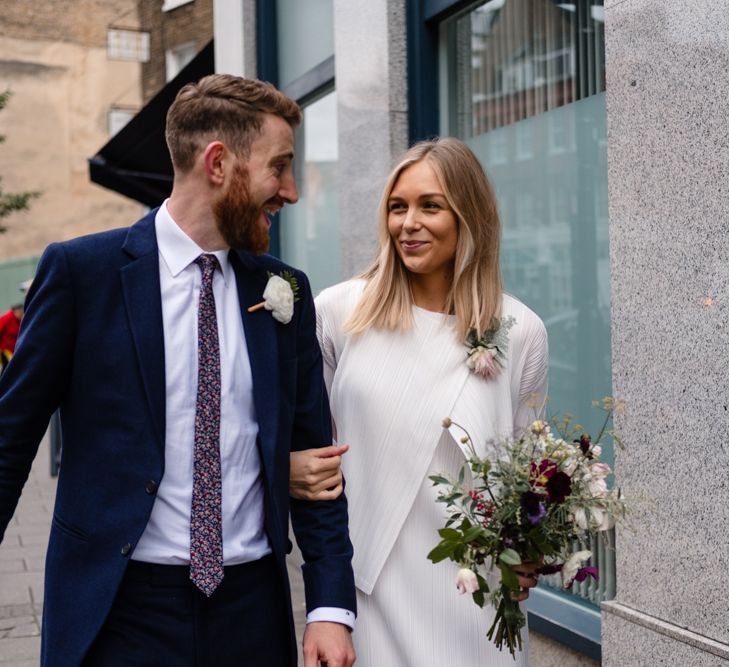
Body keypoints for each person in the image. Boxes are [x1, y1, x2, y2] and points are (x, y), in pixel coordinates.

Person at [0, 74, 356, 667]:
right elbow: (8, 444)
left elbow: (317, 462)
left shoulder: (284, 291)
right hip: (116, 612)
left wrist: (328, 609)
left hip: (252, 612)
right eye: (280, 166)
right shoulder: (82, 274)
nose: (290, 191)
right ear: (218, 163)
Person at [291, 137, 548, 665]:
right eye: (397, 206)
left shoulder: (520, 329)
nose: (408, 222)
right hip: (367, 580)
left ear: (468, 215)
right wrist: (287, 467)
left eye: (429, 206)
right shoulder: (340, 312)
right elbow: (304, 437)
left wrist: (531, 549)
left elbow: (527, 465)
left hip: (472, 590)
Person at [0, 303, 23, 372]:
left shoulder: (19, 320)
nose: (22, 314)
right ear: (16, 311)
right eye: (21, 312)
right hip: (4, 349)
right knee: (8, 367)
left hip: (13, 349)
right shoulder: (7, 318)